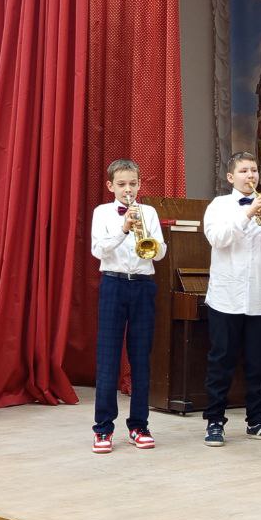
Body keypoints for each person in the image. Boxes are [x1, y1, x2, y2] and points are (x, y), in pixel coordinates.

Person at [201, 151, 261, 446]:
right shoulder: (219, 206)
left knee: (258, 363)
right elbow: (218, 239)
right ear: (231, 177)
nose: (251, 175)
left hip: (259, 296)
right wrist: (248, 214)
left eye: (254, 170)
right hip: (226, 296)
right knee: (221, 361)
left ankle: (258, 421)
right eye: (244, 171)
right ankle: (215, 421)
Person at [89, 159, 166, 454]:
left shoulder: (150, 212)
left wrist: (149, 240)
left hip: (143, 285)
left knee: (141, 358)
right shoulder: (102, 212)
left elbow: (160, 253)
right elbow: (98, 249)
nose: (128, 189)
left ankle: (139, 425)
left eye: (133, 183)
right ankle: (103, 428)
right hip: (113, 283)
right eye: (121, 184)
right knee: (108, 358)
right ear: (111, 186)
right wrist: (123, 229)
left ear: (139, 184)